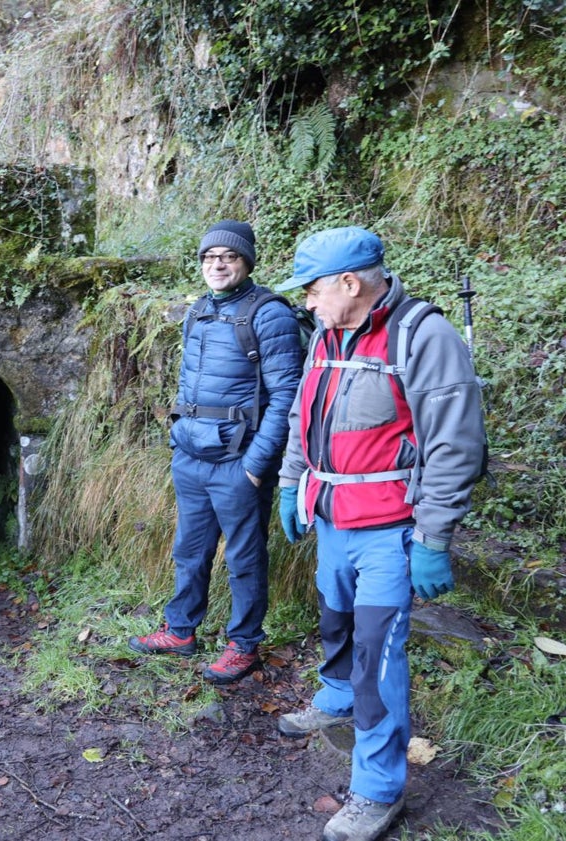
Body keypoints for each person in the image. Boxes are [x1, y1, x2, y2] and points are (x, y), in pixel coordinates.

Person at [273, 227, 485, 841]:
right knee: (334, 617)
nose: (307, 303)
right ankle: (332, 697)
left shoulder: (424, 336)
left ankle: (377, 789)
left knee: (377, 657)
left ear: (350, 282)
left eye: (313, 290)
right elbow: (301, 412)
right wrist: (292, 483)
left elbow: (454, 445)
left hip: (389, 528)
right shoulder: (326, 335)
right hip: (332, 514)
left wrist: (434, 538)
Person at [128, 220, 303, 684]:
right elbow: (189, 383)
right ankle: (181, 631)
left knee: (244, 558)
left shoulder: (270, 314)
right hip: (191, 456)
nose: (217, 265)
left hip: (237, 461)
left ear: (246, 261)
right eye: (209, 257)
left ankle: (243, 645)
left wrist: (255, 465)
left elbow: (288, 396)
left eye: (228, 256)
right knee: (189, 549)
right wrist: (177, 438)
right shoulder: (199, 309)